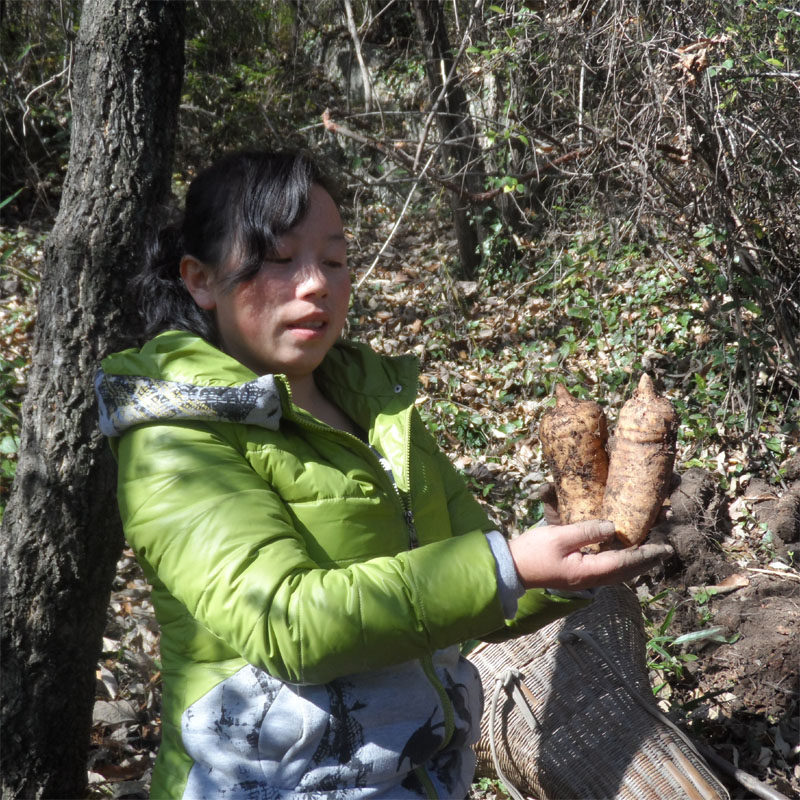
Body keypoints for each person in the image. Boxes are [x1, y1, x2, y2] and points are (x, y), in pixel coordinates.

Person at [95, 150, 673, 799]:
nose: (315, 283)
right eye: (281, 260)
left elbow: (477, 596)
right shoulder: (175, 435)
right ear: (200, 279)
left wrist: (561, 562)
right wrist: (507, 567)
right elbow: (286, 624)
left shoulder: (376, 407)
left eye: (335, 260)